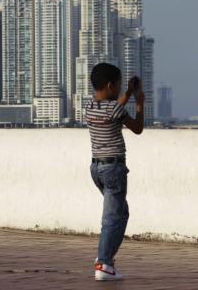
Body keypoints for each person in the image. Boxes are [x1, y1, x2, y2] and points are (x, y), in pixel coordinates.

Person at [86, 63, 144, 281]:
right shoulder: (115, 110)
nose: (120, 89)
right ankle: (104, 263)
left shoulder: (91, 106)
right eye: (119, 86)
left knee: (121, 212)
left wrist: (128, 92)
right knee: (112, 217)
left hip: (97, 168)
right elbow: (137, 128)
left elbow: (114, 109)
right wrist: (140, 103)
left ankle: (105, 255)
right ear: (110, 85)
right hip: (114, 168)